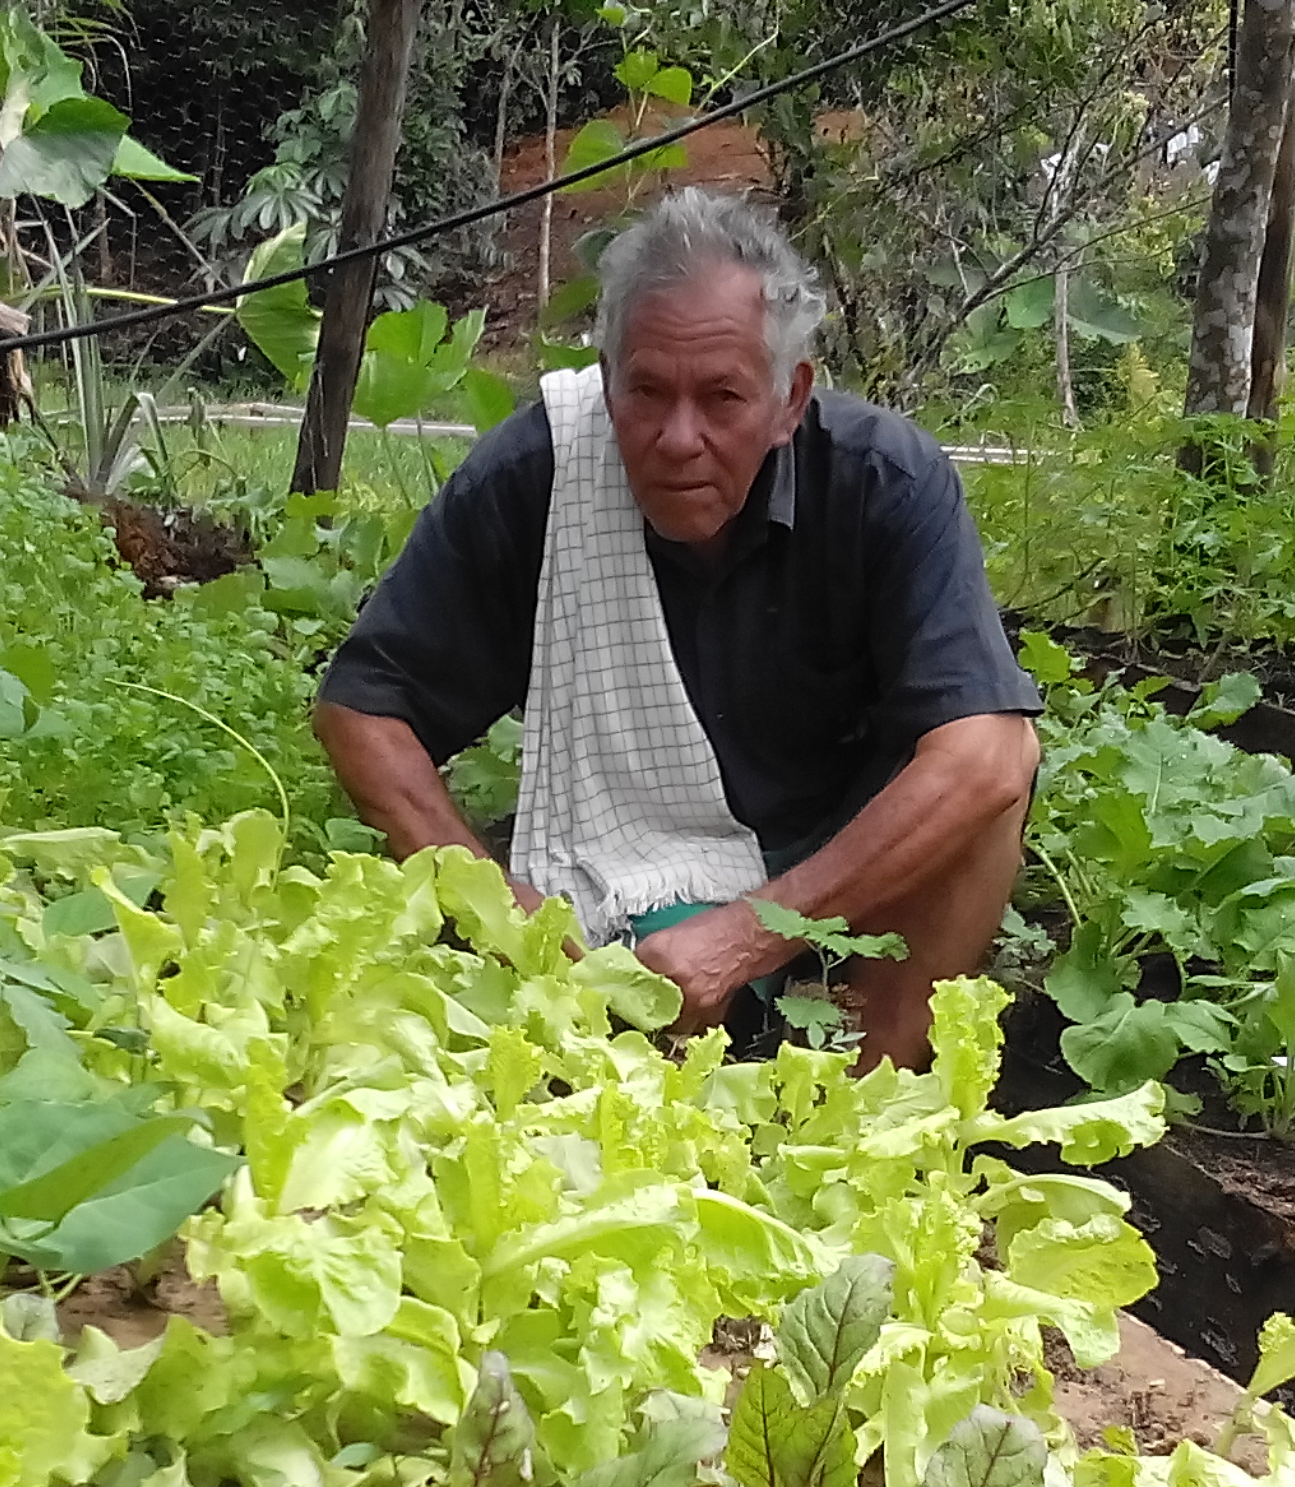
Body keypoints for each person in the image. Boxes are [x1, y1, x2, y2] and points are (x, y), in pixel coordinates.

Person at [311, 188, 1042, 1068]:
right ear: (607, 377)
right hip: (648, 871)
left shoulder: (884, 482)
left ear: (790, 399)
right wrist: (508, 918)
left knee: (985, 798)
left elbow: (990, 755)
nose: (677, 438)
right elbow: (362, 712)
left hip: (855, 861)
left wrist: (748, 935)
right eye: (646, 392)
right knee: (633, 1046)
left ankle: (874, 1080)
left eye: (723, 397)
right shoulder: (541, 473)